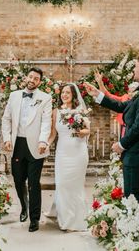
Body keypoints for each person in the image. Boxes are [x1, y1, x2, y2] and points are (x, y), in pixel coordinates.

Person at [84, 56, 139, 202]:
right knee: (131, 197)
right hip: (137, 153)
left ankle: (134, 225)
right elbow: (122, 106)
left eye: (136, 67)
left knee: (133, 199)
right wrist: (98, 95)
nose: (133, 69)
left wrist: (121, 144)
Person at [2, 67, 52, 232]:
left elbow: (46, 122)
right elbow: (6, 119)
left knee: (33, 183)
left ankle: (34, 218)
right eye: (30, 76)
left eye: (36, 78)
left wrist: (43, 140)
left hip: (36, 146)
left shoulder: (45, 98)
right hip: (17, 144)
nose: (32, 80)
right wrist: (7, 138)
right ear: (26, 77)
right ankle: (24, 206)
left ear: (39, 81)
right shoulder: (14, 95)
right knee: (17, 180)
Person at [47, 83, 90, 231]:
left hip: (78, 151)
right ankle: (65, 217)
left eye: (68, 93)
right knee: (62, 184)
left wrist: (81, 132)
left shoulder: (80, 111)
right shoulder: (56, 112)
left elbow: (87, 130)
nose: (64, 95)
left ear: (73, 95)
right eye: (63, 92)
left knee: (75, 186)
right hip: (63, 152)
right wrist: (45, 144)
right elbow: (53, 134)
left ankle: (75, 220)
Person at [94, 69, 139, 137]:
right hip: (124, 127)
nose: (130, 93)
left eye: (133, 91)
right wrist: (100, 83)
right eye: (129, 91)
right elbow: (107, 95)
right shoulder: (124, 97)